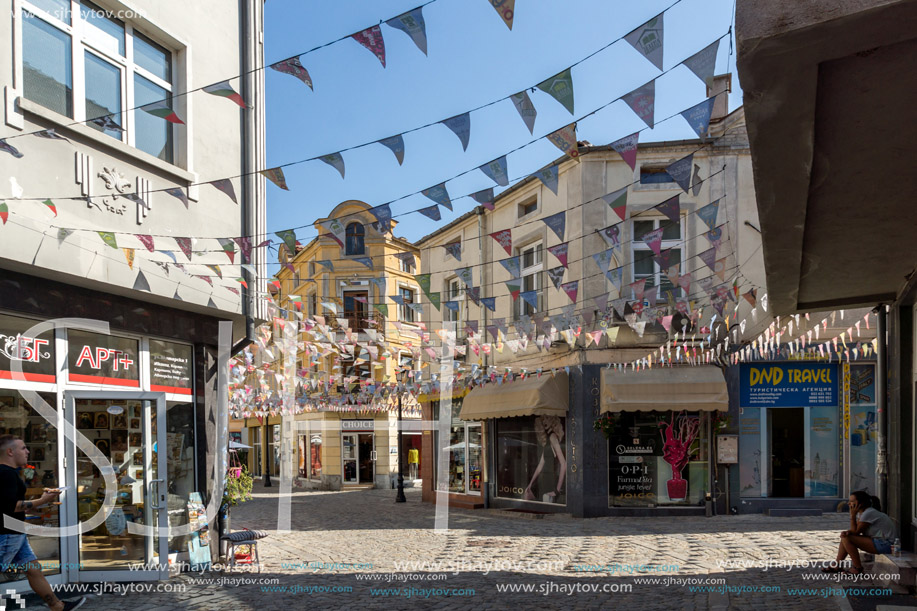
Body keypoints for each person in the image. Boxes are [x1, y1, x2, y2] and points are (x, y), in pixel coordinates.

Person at [0, 435, 86, 610]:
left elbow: (7, 505)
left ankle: (57, 606)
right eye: (23, 448)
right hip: (7, 534)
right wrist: (42, 500)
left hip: (16, 533)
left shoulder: (8, 473)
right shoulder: (5, 473)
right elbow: (11, 506)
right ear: (10, 451)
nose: (28, 451)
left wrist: (33, 506)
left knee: (33, 569)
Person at [823, 490, 897, 574]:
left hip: (886, 544)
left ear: (860, 504)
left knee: (847, 538)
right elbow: (856, 530)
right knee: (845, 537)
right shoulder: (863, 513)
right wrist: (847, 532)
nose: (848, 504)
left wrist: (852, 516)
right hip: (878, 541)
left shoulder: (868, 513)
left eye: (851, 501)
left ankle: (857, 568)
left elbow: (856, 532)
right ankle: (837, 565)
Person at [523, 416, 566, 502]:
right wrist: (530, 484)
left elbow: (564, 464)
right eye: (543, 420)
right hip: (547, 481)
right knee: (528, 497)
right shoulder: (548, 440)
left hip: (552, 483)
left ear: (552, 420)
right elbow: (540, 465)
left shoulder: (553, 437)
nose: (544, 421)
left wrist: (557, 490)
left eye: (547, 418)